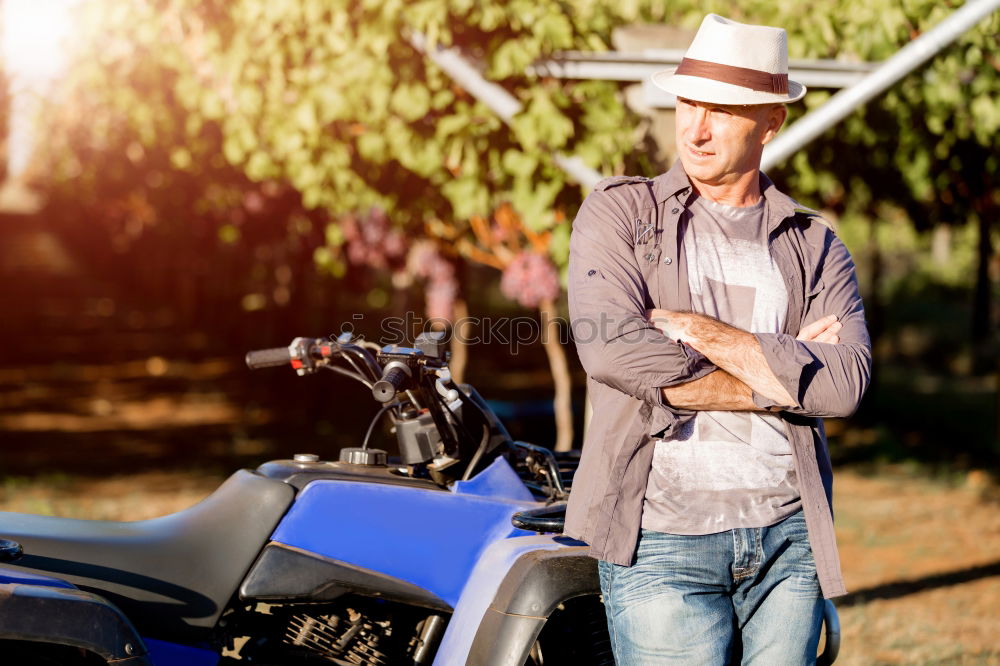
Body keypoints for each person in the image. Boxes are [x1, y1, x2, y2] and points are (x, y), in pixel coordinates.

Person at [565, 14, 872, 665]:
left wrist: (702, 332)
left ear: (770, 121)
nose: (695, 129)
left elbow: (843, 387)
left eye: (723, 110)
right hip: (661, 540)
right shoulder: (623, 212)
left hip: (788, 540)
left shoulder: (813, 244)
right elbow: (613, 348)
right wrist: (782, 381)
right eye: (687, 102)